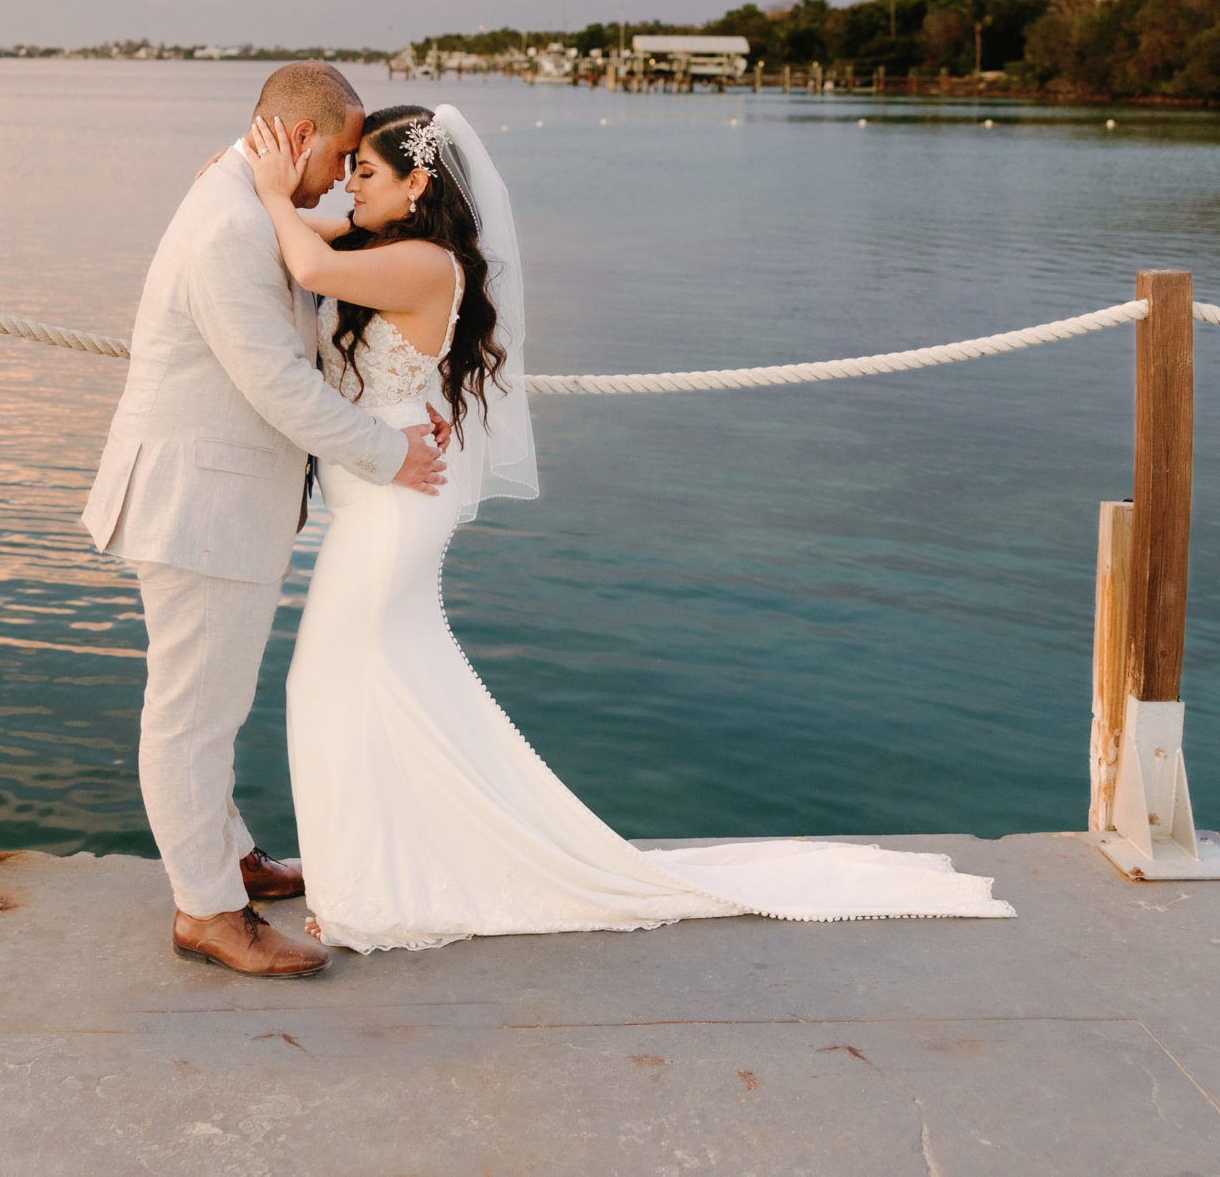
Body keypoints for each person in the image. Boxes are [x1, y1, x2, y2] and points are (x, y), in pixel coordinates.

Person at [243, 102, 1016, 952]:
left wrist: (277, 190)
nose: (347, 184)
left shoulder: (424, 263)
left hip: (394, 508)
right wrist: (263, 183)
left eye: (366, 172)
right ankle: (382, 868)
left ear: (417, 185)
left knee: (322, 683)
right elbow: (313, 238)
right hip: (375, 488)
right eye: (345, 170)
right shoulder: (381, 245)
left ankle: (362, 890)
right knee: (392, 684)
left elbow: (307, 260)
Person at [84, 63, 452, 979]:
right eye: (335, 153)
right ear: (293, 136)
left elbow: (322, 240)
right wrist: (387, 449)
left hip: (218, 500)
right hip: (198, 507)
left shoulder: (245, 203)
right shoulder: (227, 228)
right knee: (191, 716)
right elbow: (278, 385)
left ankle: (229, 859)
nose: (338, 176)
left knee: (213, 704)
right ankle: (209, 912)